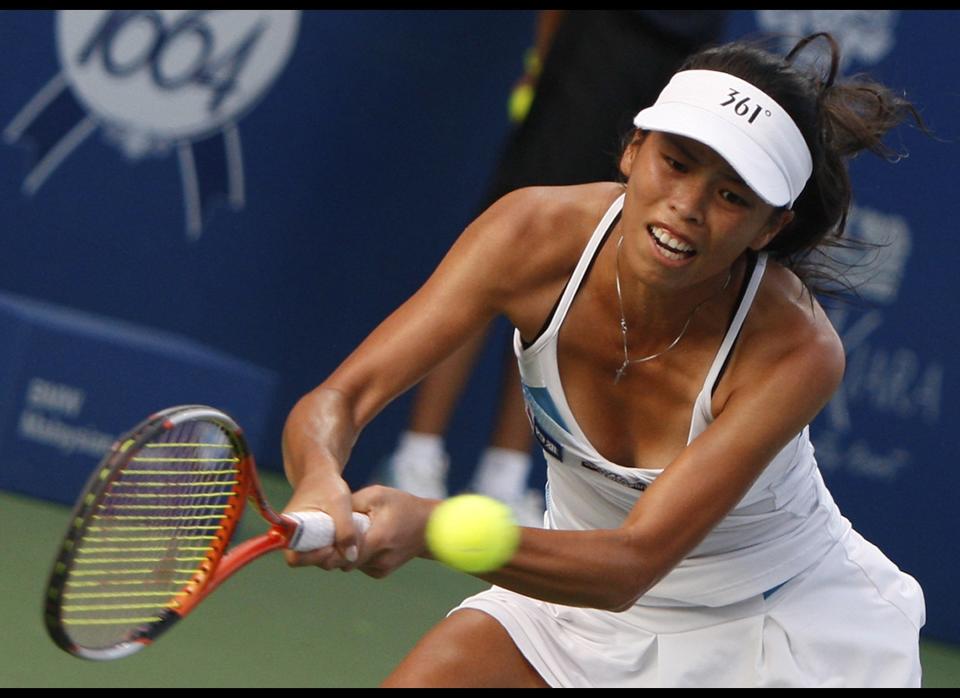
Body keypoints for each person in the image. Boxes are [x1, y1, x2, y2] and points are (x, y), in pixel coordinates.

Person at [281, 32, 927, 687]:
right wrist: (317, 476)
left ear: (769, 228)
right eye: (676, 163)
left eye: (732, 196)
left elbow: (632, 564)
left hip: (775, 632)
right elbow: (342, 399)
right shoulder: (530, 234)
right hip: (574, 602)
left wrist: (436, 528)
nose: (689, 207)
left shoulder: (798, 351)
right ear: (632, 150)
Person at [382, 11, 729, 527]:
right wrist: (546, 60)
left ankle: (505, 471)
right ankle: (417, 456)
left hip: (677, 73)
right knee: (508, 254)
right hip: (592, 54)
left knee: (585, 269)